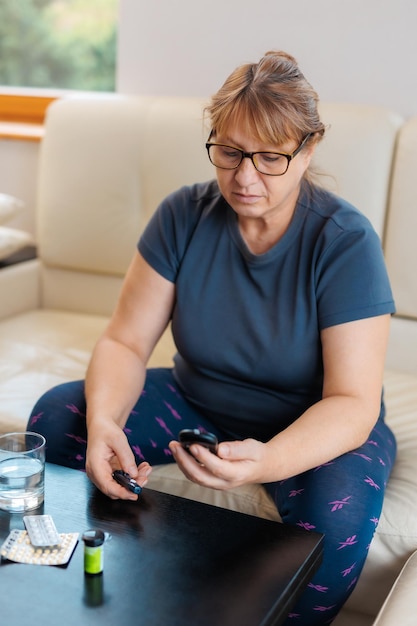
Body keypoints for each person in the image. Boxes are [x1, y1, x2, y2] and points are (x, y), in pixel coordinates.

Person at [28, 50, 396, 624]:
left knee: (337, 524)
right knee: (60, 417)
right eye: (229, 152)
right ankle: (113, 599)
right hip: (195, 398)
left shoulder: (344, 242)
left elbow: (352, 402)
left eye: (271, 158)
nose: (245, 178)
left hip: (310, 423)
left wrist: (269, 461)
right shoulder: (183, 215)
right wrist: (104, 423)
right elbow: (125, 342)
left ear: (309, 151)